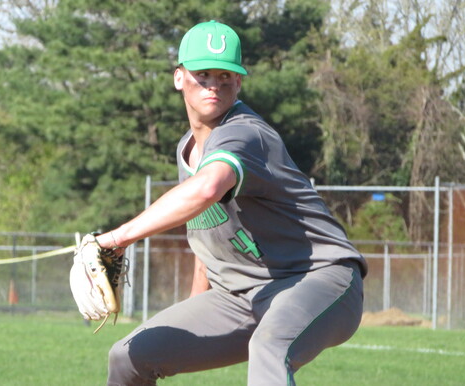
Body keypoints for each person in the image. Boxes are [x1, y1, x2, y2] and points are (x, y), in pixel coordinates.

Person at [93, 21, 368, 385]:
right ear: (179, 78)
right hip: (239, 297)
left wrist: (115, 239)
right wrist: (189, 312)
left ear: (238, 83)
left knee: (271, 347)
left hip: (318, 280)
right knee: (129, 356)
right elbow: (206, 229)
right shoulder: (186, 149)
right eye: (202, 73)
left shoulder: (243, 132)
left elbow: (207, 189)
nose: (214, 84)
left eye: (225, 75)